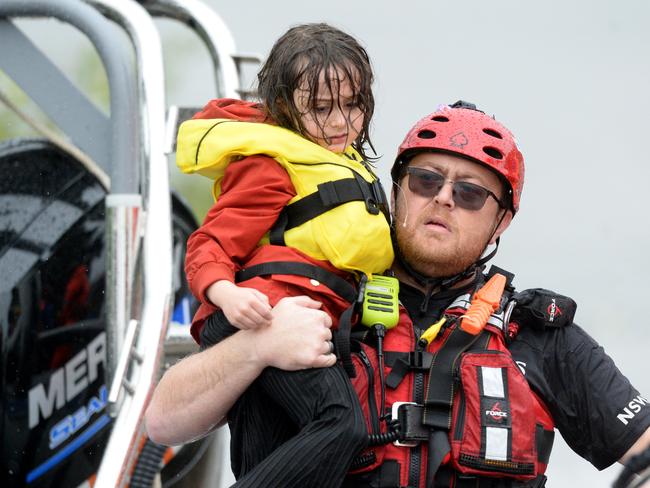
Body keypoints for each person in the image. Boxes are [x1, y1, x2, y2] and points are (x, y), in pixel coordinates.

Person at [146, 101, 650, 487]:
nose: (444, 198)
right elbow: (164, 420)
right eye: (426, 180)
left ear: (502, 220)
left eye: (471, 192)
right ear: (394, 192)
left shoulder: (541, 336)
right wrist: (255, 347)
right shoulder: (311, 302)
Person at [159, 23, 394, 487]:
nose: (340, 122)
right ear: (285, 107)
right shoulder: (271, 165)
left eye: (353, 104)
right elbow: (209, 244)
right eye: (321, 108)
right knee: (341, 425)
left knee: (262, 463)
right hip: (259, 318)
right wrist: (227, 295)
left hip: (294, 322)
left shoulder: (340, 164)